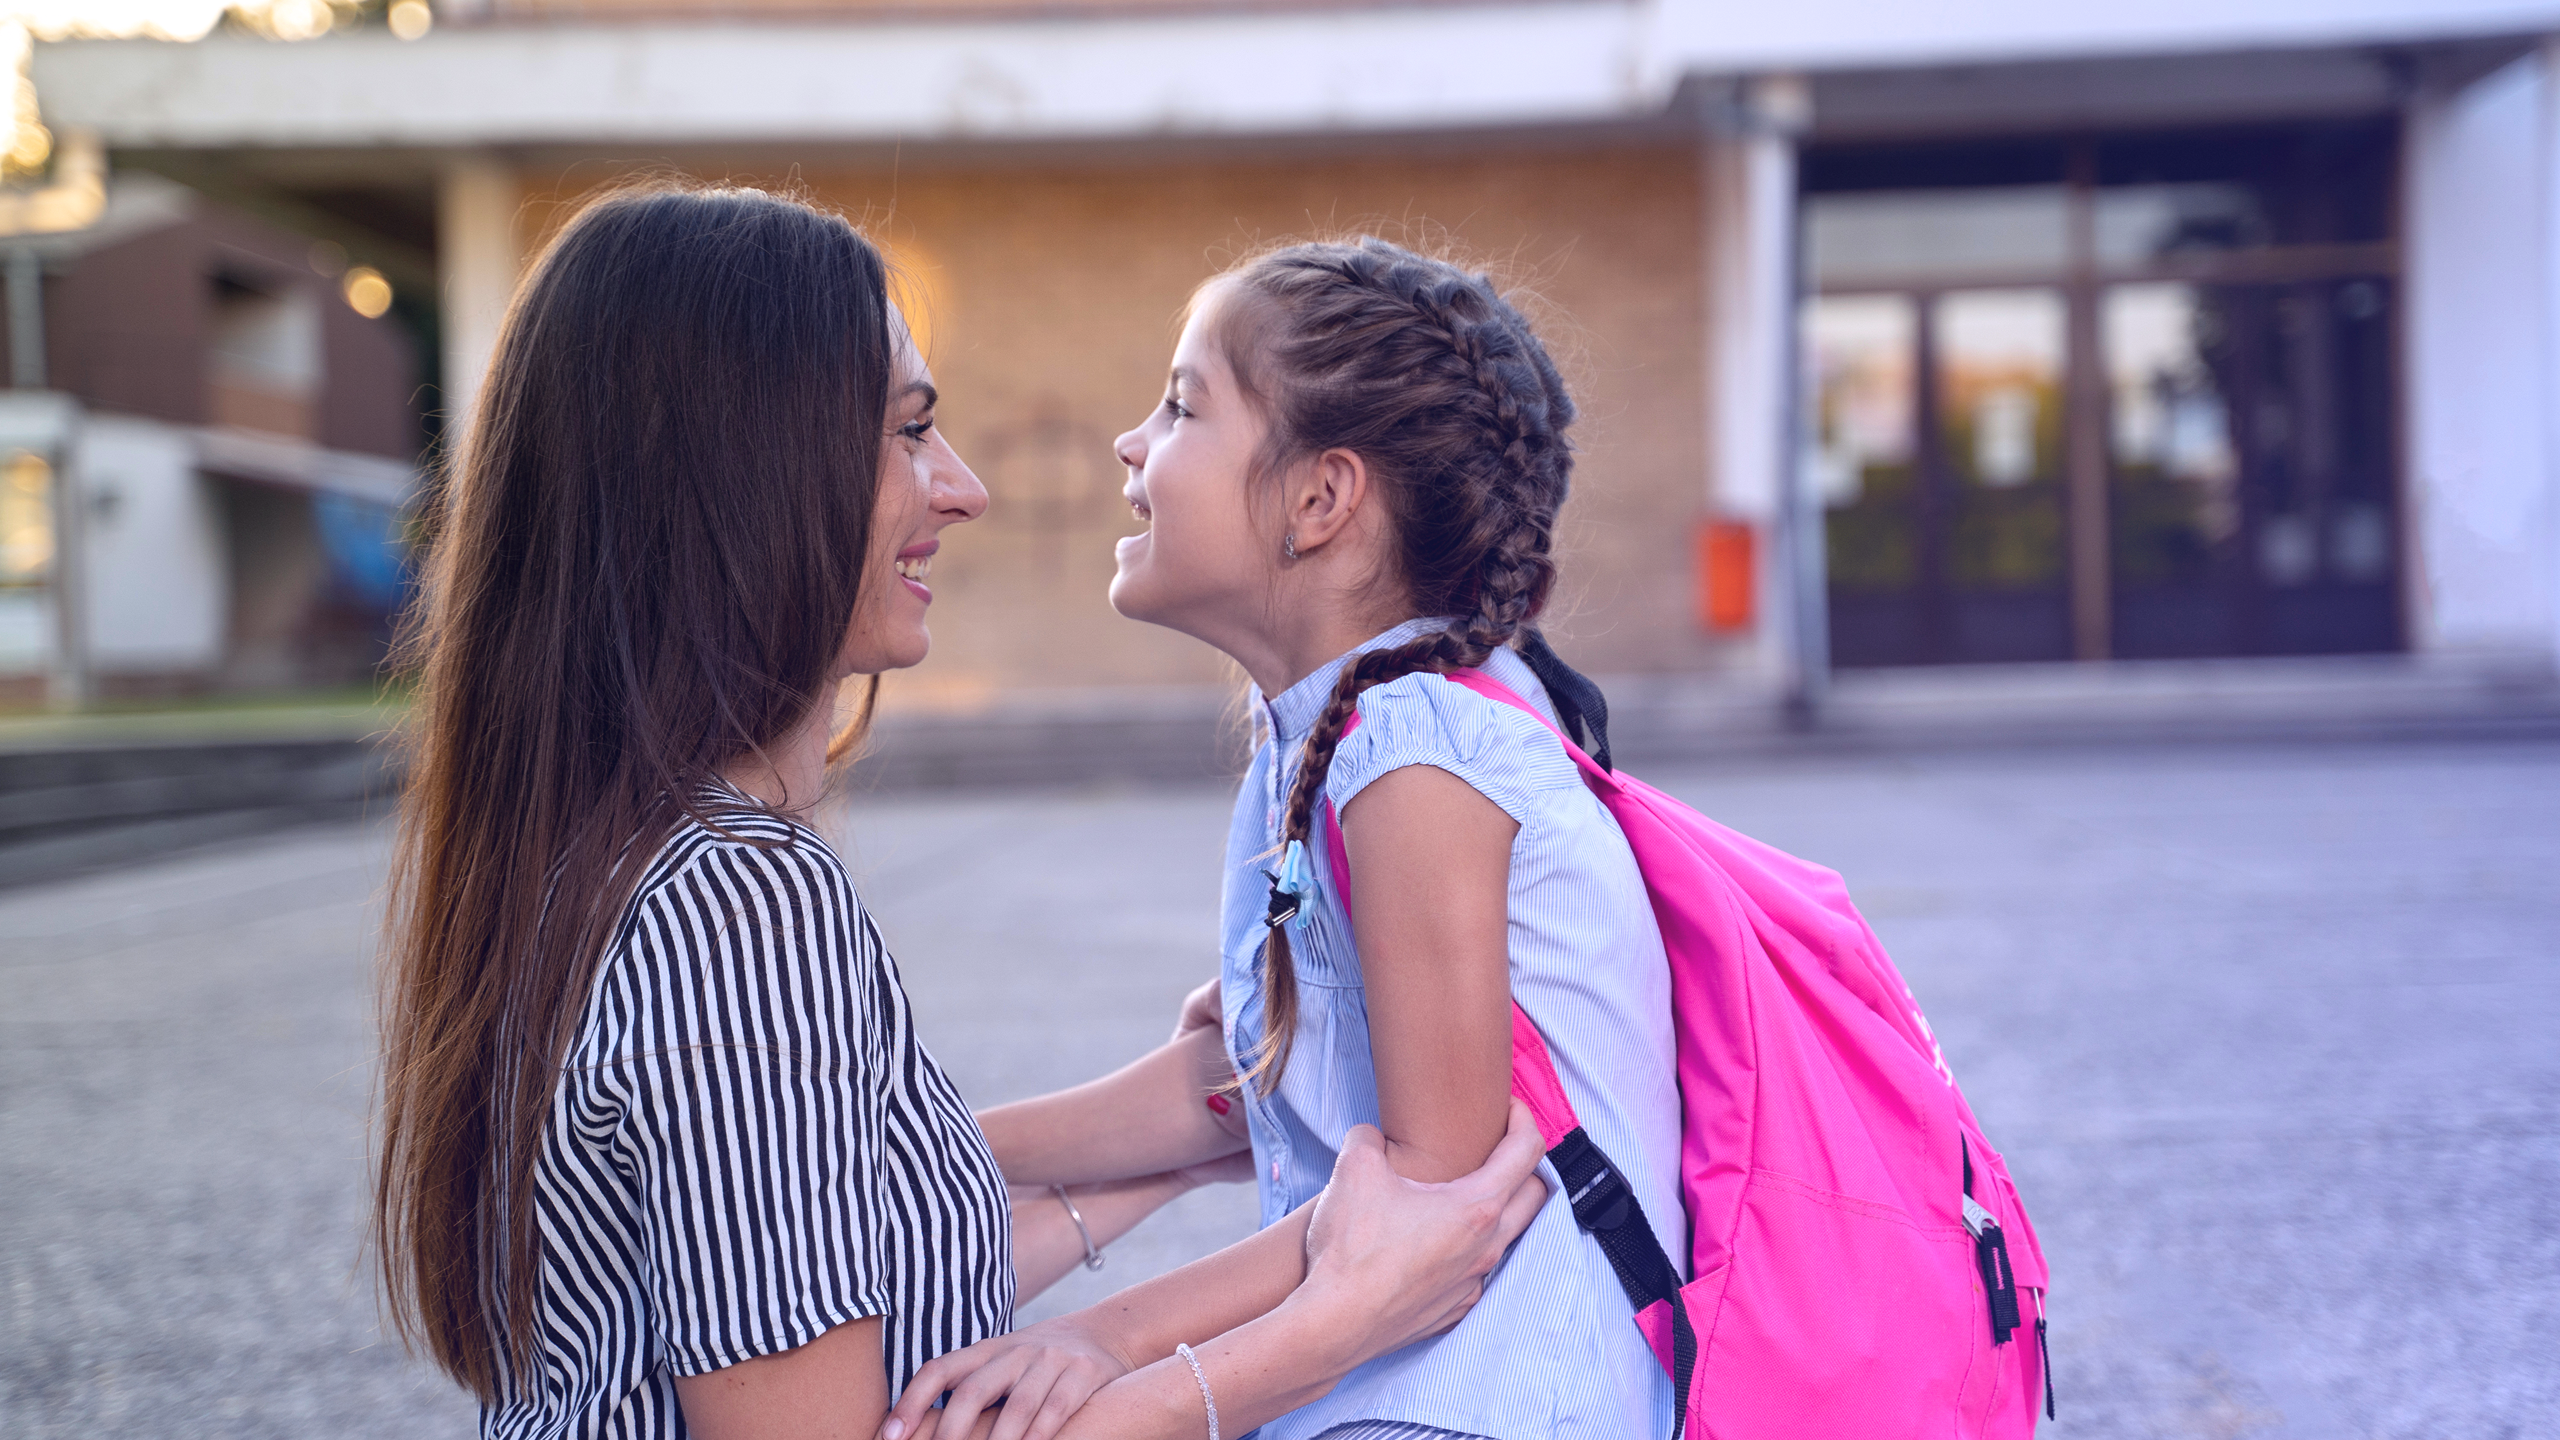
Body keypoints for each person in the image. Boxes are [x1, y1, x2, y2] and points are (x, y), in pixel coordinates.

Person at [369, 186, 1550, 1440]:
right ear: (741, 472)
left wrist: (1176, 1139)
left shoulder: (606, 855)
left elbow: (824, 1255)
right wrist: (1334, 1327)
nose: (964, 487)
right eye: (909, 431)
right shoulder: (734, 910)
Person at [896, 238, 1682, 1440]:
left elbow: (1427, 1206)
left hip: (1473, 1408)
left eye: (1178, 406)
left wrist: (1098, 1343)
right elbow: (1236, 1087)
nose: (1130, 445)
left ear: (1319, 500)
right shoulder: (1334, 744)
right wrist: (879, 1156)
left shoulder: (1415, 757)